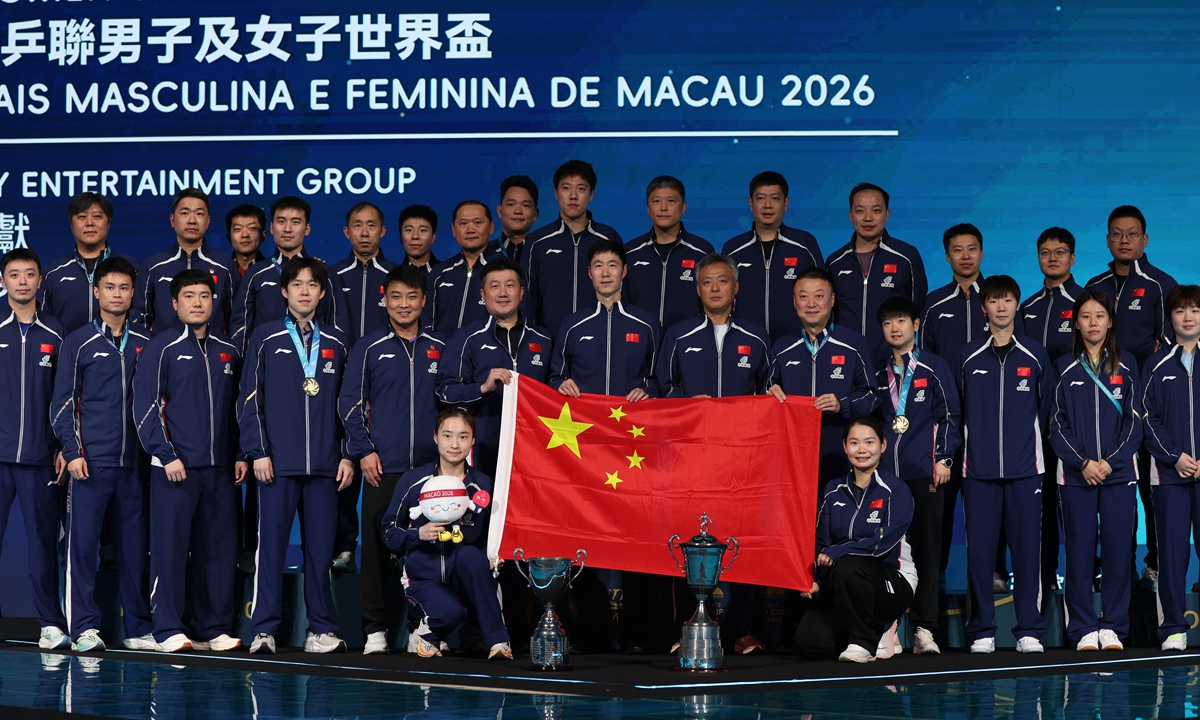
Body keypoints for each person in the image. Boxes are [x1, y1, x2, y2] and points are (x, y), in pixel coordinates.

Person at [657, 253, 777, 655]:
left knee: (743, 541)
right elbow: (661, 388)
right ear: (698, 289)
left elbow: (770, 392)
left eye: (722, 281)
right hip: (691, 457)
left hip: (743, 459)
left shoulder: (757, 337)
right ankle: (686, 628)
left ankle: (742, 630)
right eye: (707, 282)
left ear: (735, 287)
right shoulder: (678, 335)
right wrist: (689, 404)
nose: (714, 288)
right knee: (688, 540)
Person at [237, 257, 355, 655]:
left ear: (322, 293)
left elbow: (348, 405)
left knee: (320, 553)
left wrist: (347, 455)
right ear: (284, 291)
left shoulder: (338, 341)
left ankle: (321, 629)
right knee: (270, 550)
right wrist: (258, 452)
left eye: (312, 285)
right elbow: (249, 399)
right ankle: (264, 631)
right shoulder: (265, 337)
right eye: (297, 284)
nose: (305, 291)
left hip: (325, 466)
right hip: (276, 465)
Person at [132, 269, 245, 653]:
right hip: (174, 469)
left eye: (204, 296)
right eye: (189, 296)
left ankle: (213, 628)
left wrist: (240, 455)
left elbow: (237, 411)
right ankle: (167, 628)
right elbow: (145, 408)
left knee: (218, 550)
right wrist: (166, 454)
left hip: (219, 469)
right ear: (174, 303)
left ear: (214, 302)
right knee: (170, 549)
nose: (198, 303)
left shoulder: (228, 351)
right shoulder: (160, 348)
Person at [339, 264, 448, 655]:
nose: (404, 305)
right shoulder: (369, 347)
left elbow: (450, 402)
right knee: (376, 549)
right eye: (396, 297)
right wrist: (364, 450)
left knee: (427, 550)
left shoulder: (441, 346)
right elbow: (349, 404)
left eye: (412, 297)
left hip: (430, 470)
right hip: (382, 467)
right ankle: (375, 630)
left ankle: (423, 627)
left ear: (423, 300)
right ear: (384, 299)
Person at [50, 256, 154, 652]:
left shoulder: (146, 342)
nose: (117, 294)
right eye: (109, 287)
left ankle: (138, 628)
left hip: (135, 465)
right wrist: (73, 451)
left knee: (134, 549)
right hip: (89, 464)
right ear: (97, 292)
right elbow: (63, 403)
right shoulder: (79, 341)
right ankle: (83, 627)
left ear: (133, 293)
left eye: (124, 288)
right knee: (82, 548)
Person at [1085, 205, 1177, 592]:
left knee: (1150, 490)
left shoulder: (1160, 284)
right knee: (1103, 489)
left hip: (1145, 407)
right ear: (1108, 239)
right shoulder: (1095, 285)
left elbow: (1170, 348)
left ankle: (1155, 565)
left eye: (1132, 234)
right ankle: (1106, 567)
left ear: (1145, 239)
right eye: (1117, 234)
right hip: (1100, 408)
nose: (1124, 240)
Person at [957, 275, 1051, 654]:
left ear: (1016, 305)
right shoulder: (967, 356)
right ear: (984, 308)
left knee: (1027, 553)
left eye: (1007, 300)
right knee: (980, 556)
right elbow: (957, 411)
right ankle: (982, 631)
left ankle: (1029, 630)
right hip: (977, 473)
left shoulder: (1035, 354)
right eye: (994, 301)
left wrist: (1024, 448)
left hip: (1025, 471)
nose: (1001, 307)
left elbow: (1045, 410)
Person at [920, 223, 1011, 594]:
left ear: (982, 252)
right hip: (946, 422)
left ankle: (996, 571)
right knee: (940, 504)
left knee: (993, 504)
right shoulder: (934, 304)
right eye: (957, 250)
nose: (966, 256)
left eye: (972, 248)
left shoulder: (1001, 300)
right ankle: (935, 575)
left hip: (992, 422)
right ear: (947, 256)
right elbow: (923, 363)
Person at [1049, 290, 1141, 652]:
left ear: (1110, 321)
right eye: (1085, 316)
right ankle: (1084, 627)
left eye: (1099, 316)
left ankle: (1113, 626)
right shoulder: (1062, 366)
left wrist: (1109, 462)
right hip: (1076, 477)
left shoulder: (1128, 364)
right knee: (1079, 552)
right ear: (1076, 323)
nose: (1093, 323)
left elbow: (1135, 422)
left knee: (1119, 552)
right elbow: (1055, 423)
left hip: (1119, 475)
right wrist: (1083, 463)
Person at [382, 408, 511, 661]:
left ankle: (499, 641)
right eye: (447, 435)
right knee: (450, 611)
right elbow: (388, 532)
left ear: (473, 440)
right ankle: (428, 631)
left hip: (465, 576)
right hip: (424, 578)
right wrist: (418, 534)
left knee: (471, 557)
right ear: (435, 437)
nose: (454, 444)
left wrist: (495, 554)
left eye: (463, 436)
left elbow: (494, 531)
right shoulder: (413, 480)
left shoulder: (482, 484)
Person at [873, 296, 960, 655]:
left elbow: (950, 415)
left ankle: (925, 629)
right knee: (885, 552)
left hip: (925, 473)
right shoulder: (878, 374)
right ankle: (886, 628)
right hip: (887, 479)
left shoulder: (934, 367)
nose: (894, 328)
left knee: (927, 551)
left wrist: (944, 459)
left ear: (916, 324)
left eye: (901, 321)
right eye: (887, 323)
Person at [795, 416, 916, 663]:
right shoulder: (832, 490)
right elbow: (821, 543)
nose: (862, 449)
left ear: (883, 445)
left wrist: (839, 552)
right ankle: (873, 629)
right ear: (844, 446)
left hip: (893, 581)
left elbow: (883, 543)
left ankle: (864, 640)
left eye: (869, 442)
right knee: (809, 642)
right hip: (845, 582)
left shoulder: (896, 489)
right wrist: (818, 581)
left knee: (850, 565)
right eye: (854, 443)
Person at [0, 249, 70, 649]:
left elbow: (66, 396)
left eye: (29, 274)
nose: (22, 281)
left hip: (41, 460)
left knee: (43, 544)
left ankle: (50, 623)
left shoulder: (57, 333)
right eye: (14, 274)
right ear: (3, 281)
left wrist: (62, 445)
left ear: (40, 280)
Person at [329, 202, 399, 573]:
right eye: (357, 225)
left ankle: (390, 544)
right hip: (338, 379)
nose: (365, 232)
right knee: (342, 464)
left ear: (383, 231)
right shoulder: (331, 275)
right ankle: (344, 546)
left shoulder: (396, 275)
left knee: (381, 465)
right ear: (346, 232)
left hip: (386, 379)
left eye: (372, 225)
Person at [437, 257, 552, 476]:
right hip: (483, 450)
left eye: (510, 285)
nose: (503, 293)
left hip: (535, 447)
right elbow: (445, 393)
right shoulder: (466, 338)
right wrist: (483, 388)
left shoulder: (543, 339)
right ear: (483, 294)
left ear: (521, 292)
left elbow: (553, 386)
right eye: (495, 286)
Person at [1019, 227, 1085, 592]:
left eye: (1060, 252)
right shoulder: (1027, 308)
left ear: (1072, 258)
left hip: (1076, 424)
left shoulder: (1086, 303)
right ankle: (1044, 577)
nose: (1052, 258)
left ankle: (1089, 572)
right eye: (1045, 252)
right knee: (1040, 506)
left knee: (1079, 505)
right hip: (1033, 425)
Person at [769, 267, 877, 485]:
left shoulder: (853, 343)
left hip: (840, 453)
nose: (811, 304)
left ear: (832, 300)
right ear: (794, 301)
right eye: (803, 297)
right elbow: (768, 391)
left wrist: (841, 405)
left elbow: (872, 396)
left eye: (819, 296)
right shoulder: (782, 347)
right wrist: (770, 394)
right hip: (792, 455)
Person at [1141, 284, 1200, 651]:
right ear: (1170, 317)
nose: (1187, 317)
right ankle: (1174, 629)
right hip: (1168, 476)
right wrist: (1174, 456)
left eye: (1194, 310)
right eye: (1180, 310)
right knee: (1172, 555)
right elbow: (1147, 417)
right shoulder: (1156, 363)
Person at [231, 196, 349, 353]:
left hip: (314, 361)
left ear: (307, 229)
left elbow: (338, 324)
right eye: (281, 221)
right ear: (272, 228)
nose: (287, 229)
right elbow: (240, 327)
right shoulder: (256, 273)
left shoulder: (323, 272)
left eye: (295, 222)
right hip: (268, 360)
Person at [551, 239, 660, 402]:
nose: (605, 273)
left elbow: (658, 378)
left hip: (631, 415)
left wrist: (649, 390)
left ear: (624, 271)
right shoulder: (572, 325)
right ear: (590, 273)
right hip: (584, 414)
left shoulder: (647, 324)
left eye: (612, 265)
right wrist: (561, 383)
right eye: (598, 266)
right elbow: (556, 376)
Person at [524, 160, 623, 336]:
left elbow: (622, 293)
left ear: (591, 195)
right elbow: (526, 298)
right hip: (550, 340)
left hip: (600, 338)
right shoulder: (537, 242)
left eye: (581, 189)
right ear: (556, 193)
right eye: (566, 188)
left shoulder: (609, 238)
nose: (573, 196)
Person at [825, 183, 927, 355]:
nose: (868, 218)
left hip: (893, 360)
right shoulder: (835, 262)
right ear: (850, 215)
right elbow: (830, 315)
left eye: (876, 210)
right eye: (860, 211)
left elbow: (917, 309)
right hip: (846, 359)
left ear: (887, 214)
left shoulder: (906, 256)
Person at [721, 171, 823, 342]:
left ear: (786, 203)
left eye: (775, 198)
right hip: (744, 344)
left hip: (796, 343)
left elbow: (824, 295)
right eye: (761, 198)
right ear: (751, 203)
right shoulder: (733, 249)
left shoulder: (805, 244)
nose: (767, 205)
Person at [134, 188, 237, 336]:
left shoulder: (224, 265)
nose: (192, 220)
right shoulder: (153, 265)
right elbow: (140, 317)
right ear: (172, 220)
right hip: (163, 349)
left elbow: (235, 319)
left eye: (199, 214)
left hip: (212, 349)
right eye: (185, 213)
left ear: (208, 221)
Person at [623, 176, 714, 330]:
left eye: (671, 201)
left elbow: (712, 304)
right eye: (656, 201)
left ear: (683, 207)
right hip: (640, 339)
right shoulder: (630, 252)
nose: (663, 207)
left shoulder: (702, 252)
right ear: (648, 208)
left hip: (687, 340)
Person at [41, 192, 139, 333]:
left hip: (119, 346)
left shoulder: (132, 267)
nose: (89, 223)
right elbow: (42, 322)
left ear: (108, 224)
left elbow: (141, 316)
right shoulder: (53, 272)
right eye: (82, 217)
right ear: (71, 225)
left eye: (97, 216)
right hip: (66, 347)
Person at [424, 201, 503, 337]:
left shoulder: (507, 271)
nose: (470, 229)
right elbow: (426, 326)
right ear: (454, 230)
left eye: (477, 223)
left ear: (491, 227)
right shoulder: (439, 273)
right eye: (463, 223)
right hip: (444, 349)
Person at [489, 175, 540, 264]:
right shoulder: (486, 252)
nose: (518, 211)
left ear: (535, 214)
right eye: (511, 204)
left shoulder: (543, 253)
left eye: (526, 205)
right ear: (500, 211)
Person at [225, 204, 268, 287]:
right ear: (229, 237)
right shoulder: (221, 271)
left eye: (252, 228)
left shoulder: (274, 271)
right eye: (237, 229)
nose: (245, 235)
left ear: (263, 235)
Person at [399, 204, 440, 273]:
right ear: (401, 237)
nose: (415, 236)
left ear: (433, 237)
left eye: (423, 230)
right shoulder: (392, 276)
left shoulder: (447, 273)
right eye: (409, 230)